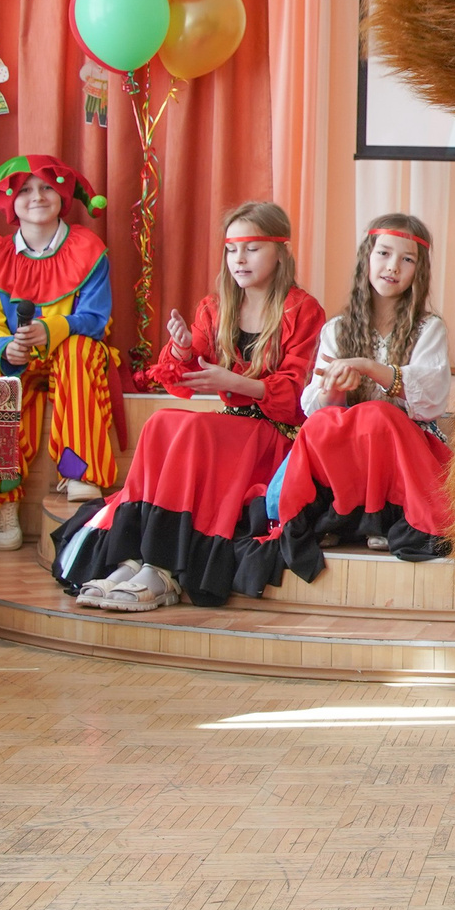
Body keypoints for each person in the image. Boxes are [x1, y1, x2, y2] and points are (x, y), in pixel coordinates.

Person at [53, 202, 321, 611]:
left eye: (251, 248)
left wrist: (234, 382)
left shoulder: (302, 309)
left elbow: (295, 395)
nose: (239, 259)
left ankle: (162, 570)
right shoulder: (215, 307)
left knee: (197, 429)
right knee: (161, 422)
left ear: (281, 252)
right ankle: (130, 558)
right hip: (234, 427)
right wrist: (180, 348)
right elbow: (181, 376)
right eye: (232, 249)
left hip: (277, 435)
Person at [243, 215, 453, 593]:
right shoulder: (337, 329)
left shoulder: (428, 328)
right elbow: (317, 407)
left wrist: (369, 368)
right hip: (349, 451)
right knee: (324, 423)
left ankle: (384, 518)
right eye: (384, 253)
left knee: (377, 413)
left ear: (419, 272)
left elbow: (430, 400)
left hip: (402, 446)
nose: (392, 266)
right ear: (366, 259)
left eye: (407, 260)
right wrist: (336, 390)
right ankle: (337, 519)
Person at [0, 156, 119, 554]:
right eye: (25, 190)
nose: (36, 196)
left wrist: (54, 330)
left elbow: (96, 319)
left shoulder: (88, 248)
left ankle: (79, 470)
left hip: (71, 354)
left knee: (81, 350)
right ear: (9, 204)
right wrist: (4, 346)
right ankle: (4, 497)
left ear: (62, 194)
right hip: (19, 359)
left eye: (46, 187)